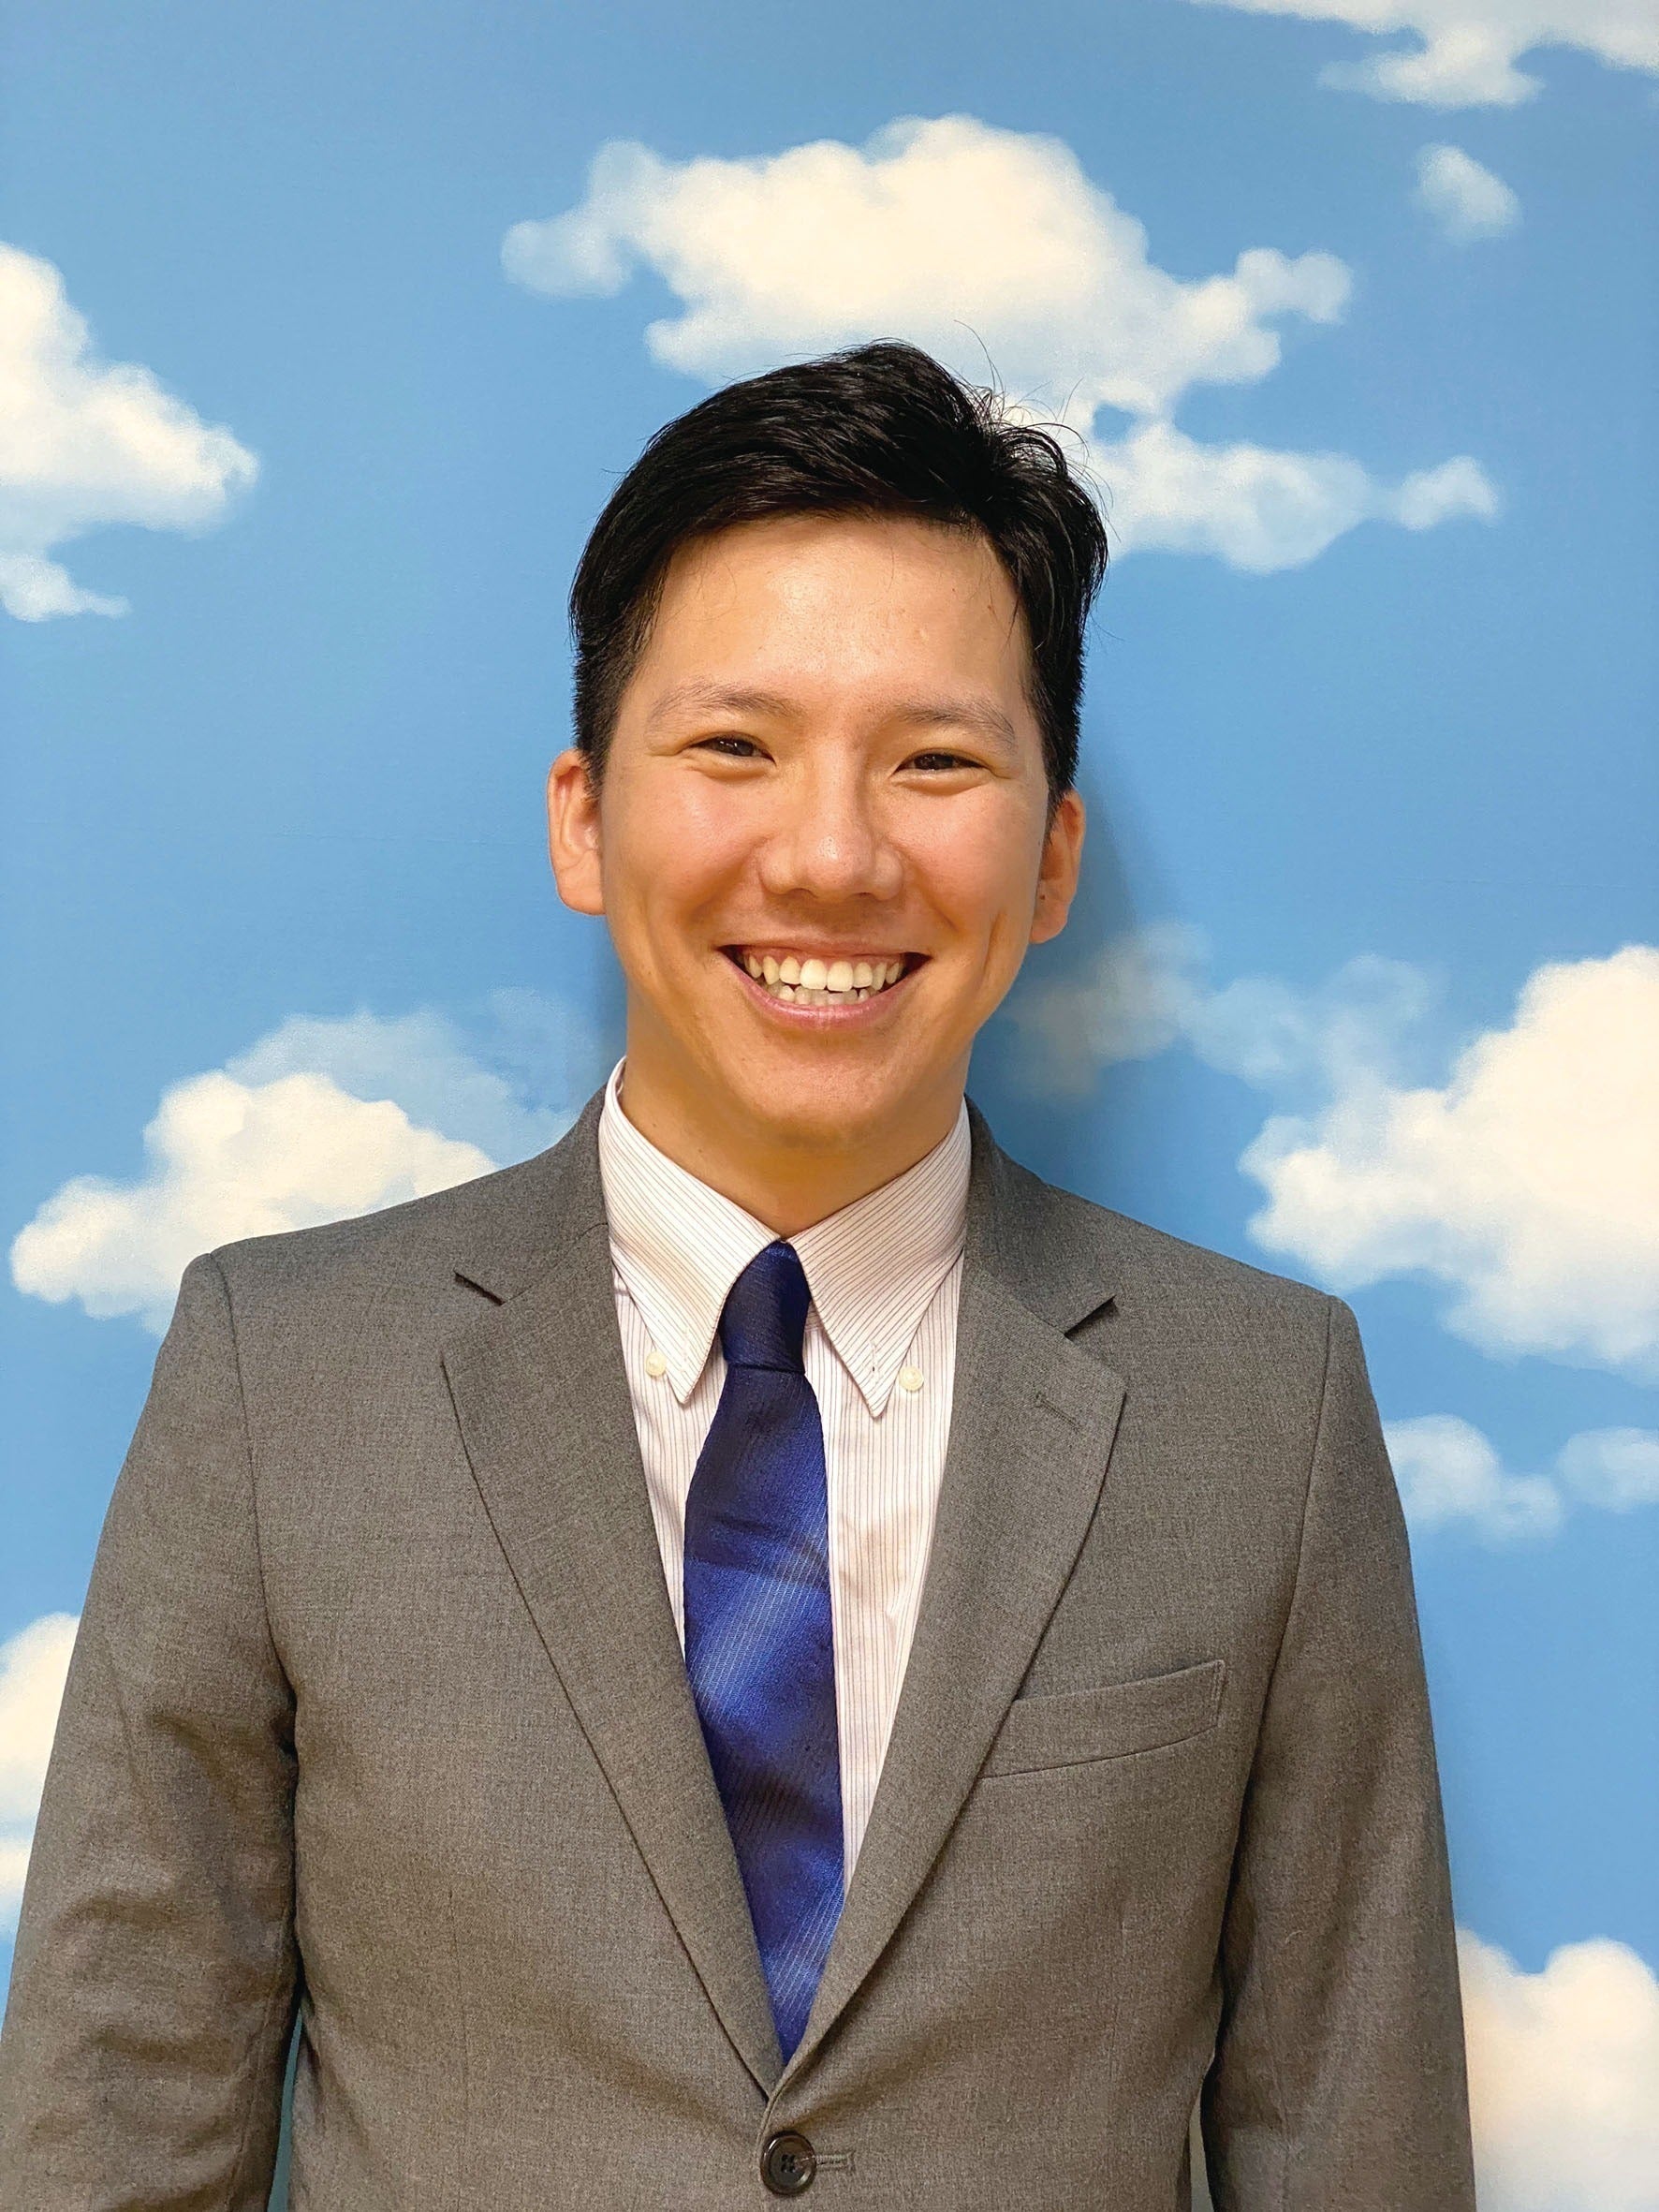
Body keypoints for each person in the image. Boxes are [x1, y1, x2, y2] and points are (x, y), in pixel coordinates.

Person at [0, 341, 1476, 2208]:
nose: (833, 853)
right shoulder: (279, 1374)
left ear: (1049, 859)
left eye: (934, 760)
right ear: (583, 818)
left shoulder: (1263, 1404)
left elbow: (1355, 2140)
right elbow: (116, 2124)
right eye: (733, 747)